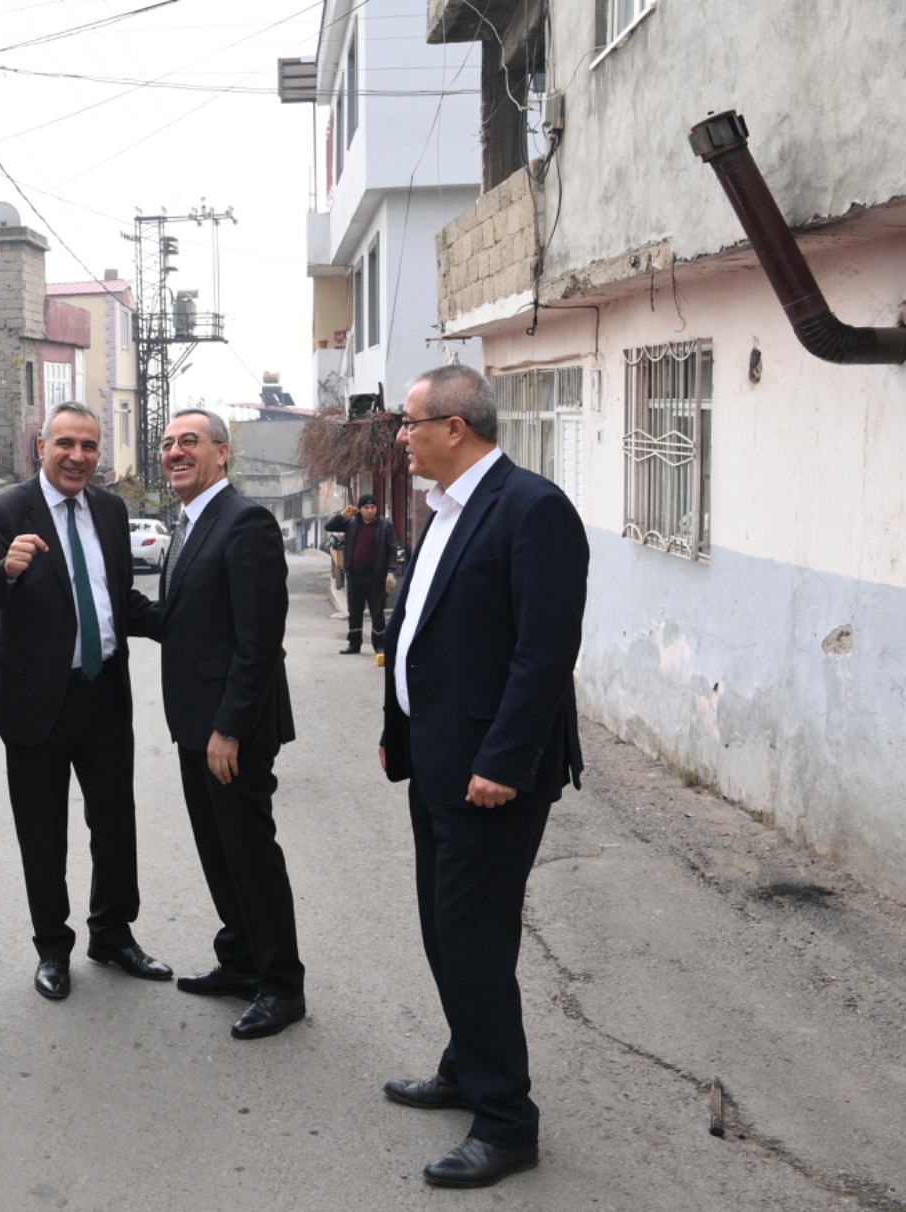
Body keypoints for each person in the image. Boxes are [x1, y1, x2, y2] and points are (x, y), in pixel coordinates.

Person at [377, 365, 588, 1189]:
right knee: (445, 930)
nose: (401, 436)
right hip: (436, 761)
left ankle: (505, 1120)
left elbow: (545, 653)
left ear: (454, 427)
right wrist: (397, 731)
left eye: (409, 421)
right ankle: (466, 1066)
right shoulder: (446, 509)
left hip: (489, 776)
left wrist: (503, 761)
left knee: (474, 941)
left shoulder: (532, 509)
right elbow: (420, 630)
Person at [0, 401, 168, 1001]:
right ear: (42, 448)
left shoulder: (110, 508)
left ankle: (113, 934)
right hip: (34, 702)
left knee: (115, 823)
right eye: (66, 444)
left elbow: (117, 597)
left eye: (89, 446)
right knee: (43, 834)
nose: (78, 457)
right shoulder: (5, 511)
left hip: (103, 694)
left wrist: (185, 624)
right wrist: (7, 569)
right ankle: (52, 948)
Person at [157, 407, 306, 1041]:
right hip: (195, 725)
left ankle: (282, 985)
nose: (175, 451)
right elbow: (183, 618)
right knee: (217, 852)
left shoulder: (244, 521)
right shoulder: (190, 523)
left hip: (230, 731)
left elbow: (258, 640)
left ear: (222, 452)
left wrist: (230, 729)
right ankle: (241, 960)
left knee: (249, 854)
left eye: (189, 441)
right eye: (168, 442)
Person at [325, 493, 396, 653]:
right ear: (360, 509)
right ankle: (354, 644)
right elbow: (329, 526)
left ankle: (379, 645)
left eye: (373, 507)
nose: (370, 510)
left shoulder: (385, 525)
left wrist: (391, 572)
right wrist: (342, 515)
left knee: (377, 613)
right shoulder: (352, 522)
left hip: (376, 577)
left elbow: (392, 549)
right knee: (354, 612)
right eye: (366, 507)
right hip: (354, 576)